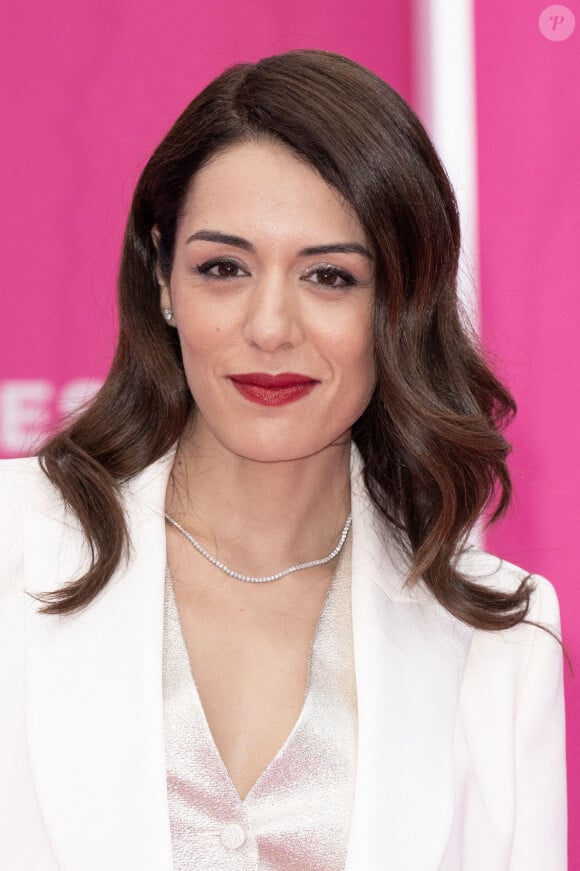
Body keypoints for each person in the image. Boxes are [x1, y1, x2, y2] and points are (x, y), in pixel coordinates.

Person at [0, 49, 566, 871]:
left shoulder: (501, 638)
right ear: (164, 276)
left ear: (400, 304)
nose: (270, 327)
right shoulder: (10, 546)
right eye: (223, 268)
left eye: (330, 276)